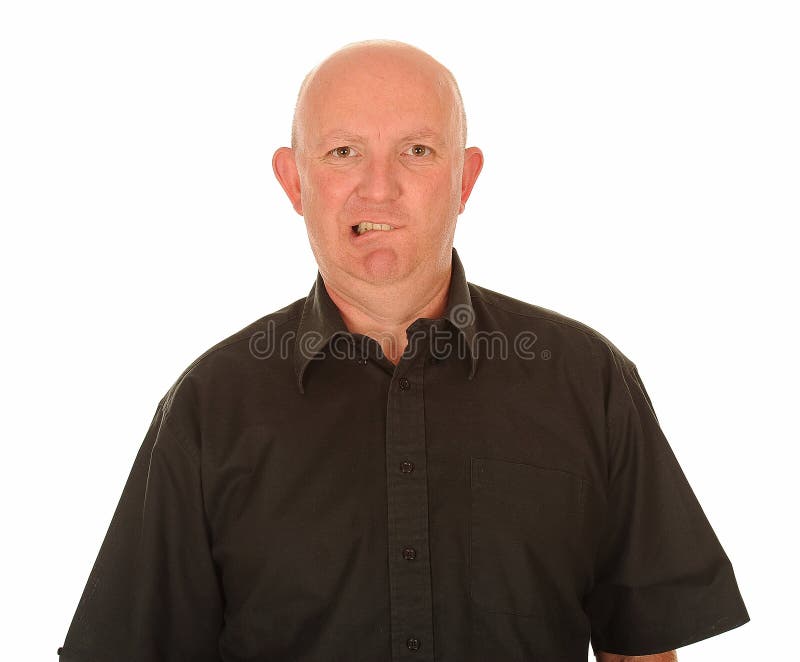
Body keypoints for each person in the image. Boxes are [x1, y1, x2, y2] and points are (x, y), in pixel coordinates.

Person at [58, 40, 749, 661]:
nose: (379, 186)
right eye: (343, 151)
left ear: (465, 178)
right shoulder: (208, 408)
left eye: (417, 150)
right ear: (295, 181)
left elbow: (640, 649)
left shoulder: (590, 382)